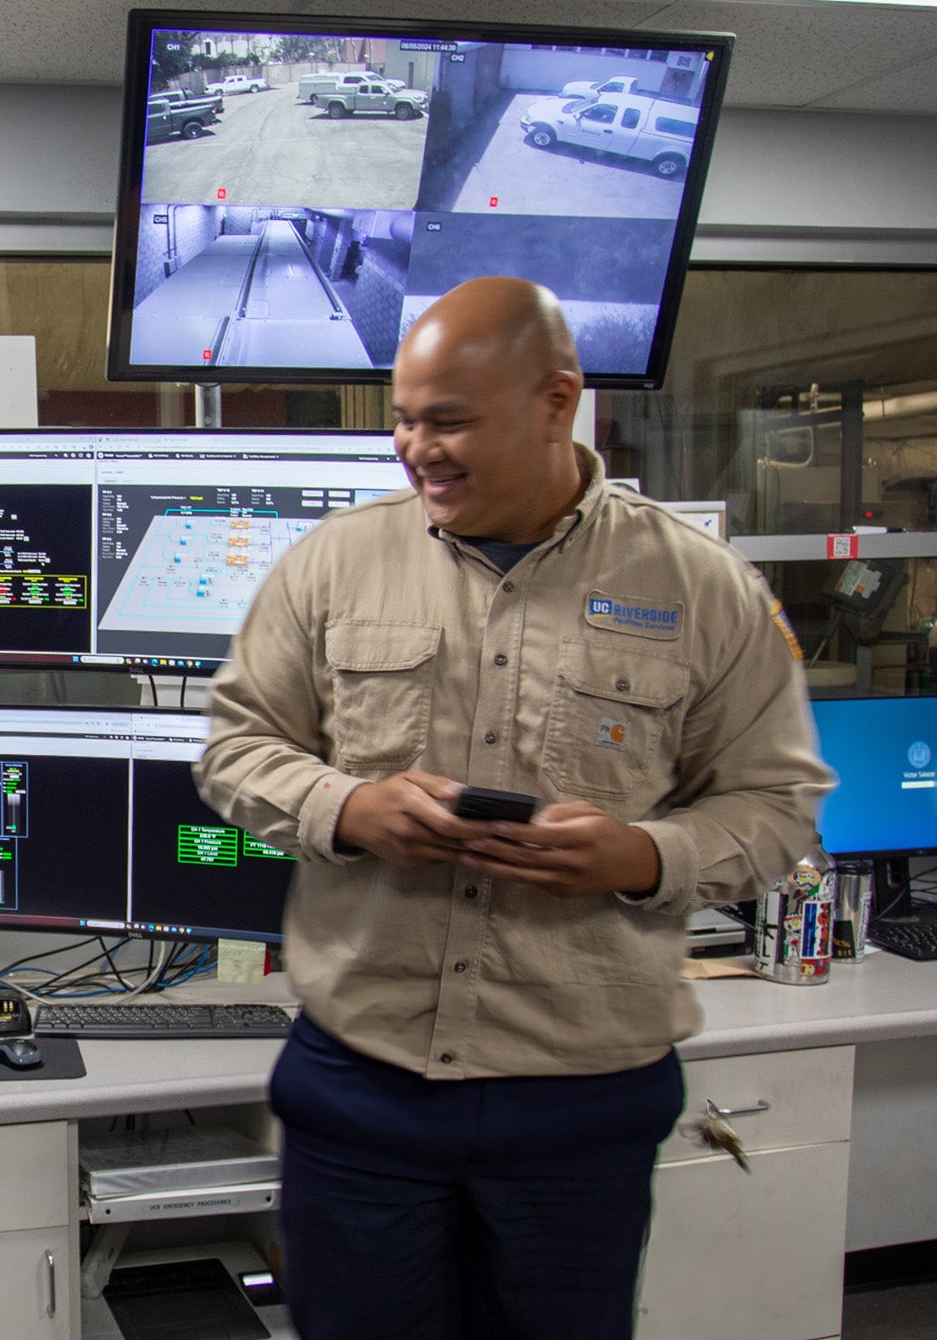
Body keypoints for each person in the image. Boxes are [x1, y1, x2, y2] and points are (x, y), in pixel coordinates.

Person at [195, 276, 832, 1339]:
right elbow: (235, 748)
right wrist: (347, 806)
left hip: (577, 1101)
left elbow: (777, 807)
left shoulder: (703, 587)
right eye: (401, 417)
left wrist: (644, 856)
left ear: (555, 402)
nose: (413, 447)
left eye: (446, 420)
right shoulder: (330, 564)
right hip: (362, 1088)